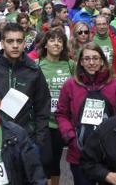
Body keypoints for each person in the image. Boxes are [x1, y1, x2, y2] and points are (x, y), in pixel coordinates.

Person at [55, 42, 116, 185]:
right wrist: (71, 137)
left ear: (102, 61)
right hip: (79, 153)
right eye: (87, 59)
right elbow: (61, 114)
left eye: (95, 58)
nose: (91, 62)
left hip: (109, 153)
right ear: (80, 61)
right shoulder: (70, 85)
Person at [0, 23, 51, 150]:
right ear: (3, 43)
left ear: (24, 43)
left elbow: (42, 107)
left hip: (25, 139)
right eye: (10, 41)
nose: (15, 45)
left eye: (19, 41)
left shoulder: (33, 70)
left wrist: (39, 140)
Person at [37, 29, 74, 184]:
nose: (56, 43)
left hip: (61, 121)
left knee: (56, 160)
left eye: (60, 40)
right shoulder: (38, 65)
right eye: (52, 40)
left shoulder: (70, 64)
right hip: (44, 121)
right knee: (44, 159)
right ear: (45, 44)